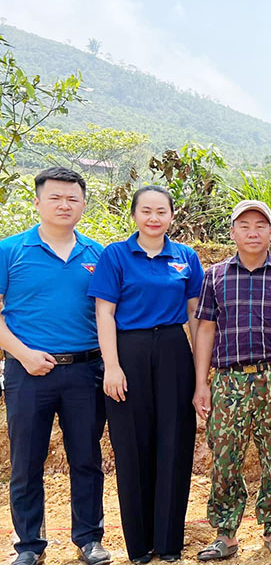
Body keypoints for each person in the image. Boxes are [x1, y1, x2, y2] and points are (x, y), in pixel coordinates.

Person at [0, 167, 110, 565]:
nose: (64, 205)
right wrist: (23, 354)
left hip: (85, 371)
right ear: (38, 202)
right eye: (55, 198)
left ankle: (89, 538)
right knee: (26, 461)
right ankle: (29, 545)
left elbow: (109, 313)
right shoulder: (10, 250)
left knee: (86, 457)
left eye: (72, 198)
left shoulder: (99, 254)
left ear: (83, 204)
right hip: (27, 373)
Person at [191, 200, 271, 561]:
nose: (253, 231)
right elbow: (206, 330)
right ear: (232, 233)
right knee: (225, 456)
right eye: (244, 225)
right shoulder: (214, 276)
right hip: (228, 380)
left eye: (260, 225)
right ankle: (226, 533)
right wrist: (202, 383)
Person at [88, 186, 204, 564]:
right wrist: (112, 365)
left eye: (161, 212)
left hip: (173, 351)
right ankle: (139, 546)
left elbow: (196, 317)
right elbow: (104, 312)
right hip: (129, 352)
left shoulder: (186, 257)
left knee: (175, 443)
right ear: (134, 214)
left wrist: (201, 375)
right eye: (146, 211)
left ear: (172, 215)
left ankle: (169, 542)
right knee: (132, 447)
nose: (154, 218)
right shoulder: (115, 255)